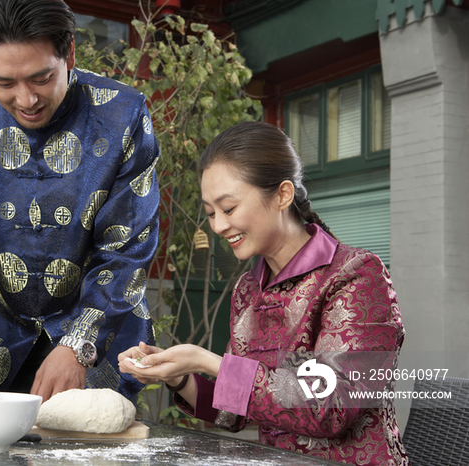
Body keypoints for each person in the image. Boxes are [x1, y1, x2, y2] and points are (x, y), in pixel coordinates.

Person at [118, 121, 408, 465]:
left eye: (228, 209)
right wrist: (180, 377)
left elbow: (330, 407)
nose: (218, 226)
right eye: (211, 213)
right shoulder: (248, 290)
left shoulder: (355, 275)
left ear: (283, 195)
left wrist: (209, 361)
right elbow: (236, 410)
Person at [0, 0, 159, 402]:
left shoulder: (124, 116)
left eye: (41, 78)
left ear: (69, 53)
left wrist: (78, 343)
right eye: (4, 83)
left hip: (99, 336)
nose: (26, 99)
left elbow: (127, 250)